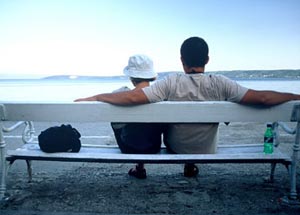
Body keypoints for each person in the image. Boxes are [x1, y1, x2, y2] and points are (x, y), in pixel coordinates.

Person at [75, 36, 300, 177]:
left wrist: (96, 97)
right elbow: (261, 99)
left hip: (175, 148)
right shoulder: (220, 82)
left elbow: (133, 98)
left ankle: (161, 164)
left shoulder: (171, 82)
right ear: (207, 59)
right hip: (207, 150)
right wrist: (293, 95)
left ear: (182, 60)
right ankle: (190, 166)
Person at [111, 55, 165, 179]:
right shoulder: (160, 96)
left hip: (128, 148)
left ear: (132, 78)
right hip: (153, 147)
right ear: (151, 76)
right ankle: (140, 167)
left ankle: (139, 168)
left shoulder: (121, 94)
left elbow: (116, 124)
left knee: (118, 122)